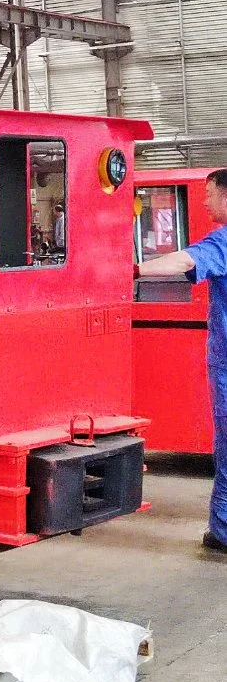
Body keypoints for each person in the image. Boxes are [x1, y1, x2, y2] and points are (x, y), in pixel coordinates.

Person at [135, 169, 227, 552]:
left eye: (209, 193)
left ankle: (223, 531)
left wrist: (133, 268)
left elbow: (185, 261)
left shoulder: (222, 240)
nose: (203, 202)